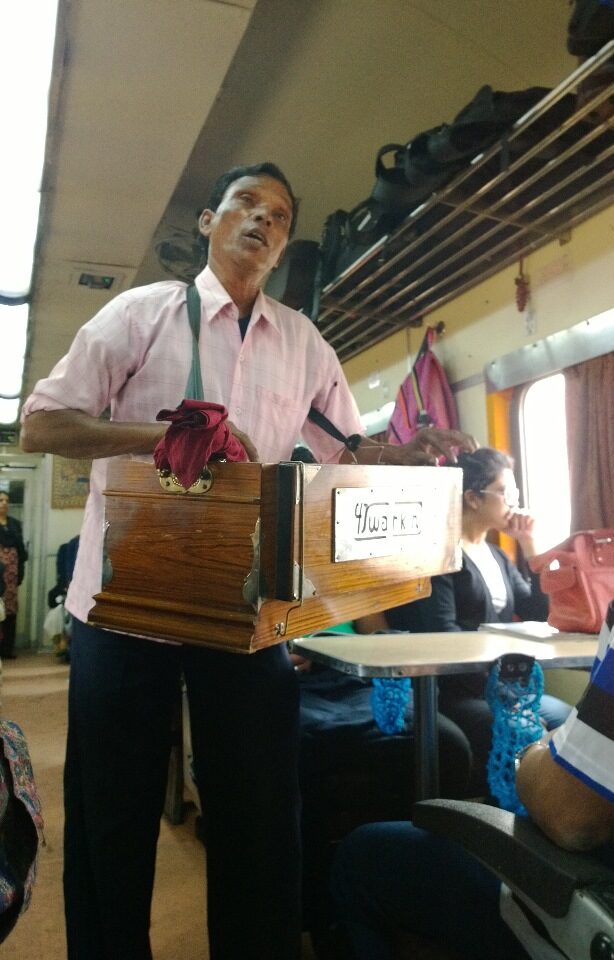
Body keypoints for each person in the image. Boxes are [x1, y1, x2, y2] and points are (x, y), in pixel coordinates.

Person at [20, 161, 475, 960]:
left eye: (279, 215)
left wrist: (403, 452)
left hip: (245, 610)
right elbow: (43, 427)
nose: (261, 220)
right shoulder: (141, 314)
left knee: (262, 814)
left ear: (284, 244)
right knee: (112, 813)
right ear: (207, 221)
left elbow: (346, 446)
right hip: (125, 603)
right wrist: (156, 438)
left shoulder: (302, 341)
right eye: (245, 204)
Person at [330, 596, 614, 960]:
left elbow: (573, 818)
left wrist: (530, 753)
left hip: (594, 904)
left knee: (362, 855)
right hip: (466, 690)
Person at [378, 448, 570, 791]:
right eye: (505, 492)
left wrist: (529, 545)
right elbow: (443, 635)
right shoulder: (442, 555)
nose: (513, 502)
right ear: (473, 498)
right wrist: (501, 687)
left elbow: (539, 613)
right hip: (457, 689)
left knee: (571, 720)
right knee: (528, 730)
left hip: (501, 685)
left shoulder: (497, 555)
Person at [0, 492, 28, 660]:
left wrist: (19, 573)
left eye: (6, 501)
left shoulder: (15, 524)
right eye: (0, 500)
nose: (4, 503)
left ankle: (7, 650)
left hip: (11, 576)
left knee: (10, 612)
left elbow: (21, 551)